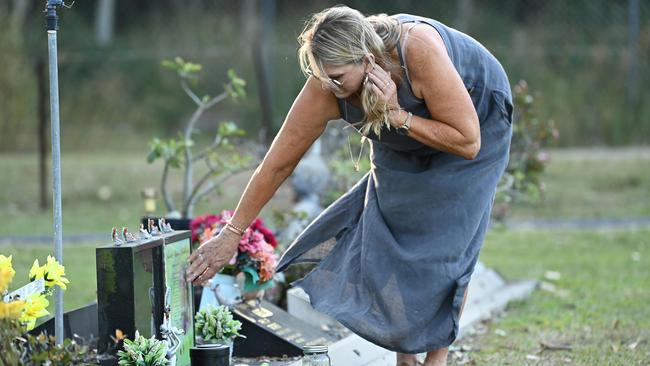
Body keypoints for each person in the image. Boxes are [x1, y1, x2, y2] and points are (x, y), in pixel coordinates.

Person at [187, 6, 513, 366]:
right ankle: (406, 358)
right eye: (323, 77)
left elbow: (467, 142)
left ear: (369, 60)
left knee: (450, 242)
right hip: (397, 127)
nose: (330, 87)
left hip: (474, 120)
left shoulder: (417, 50)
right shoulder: (328, 85)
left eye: (338, 77)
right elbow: (277, 164)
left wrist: (395, 115)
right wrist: (232, 233)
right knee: (390, 231)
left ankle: (436, 360)